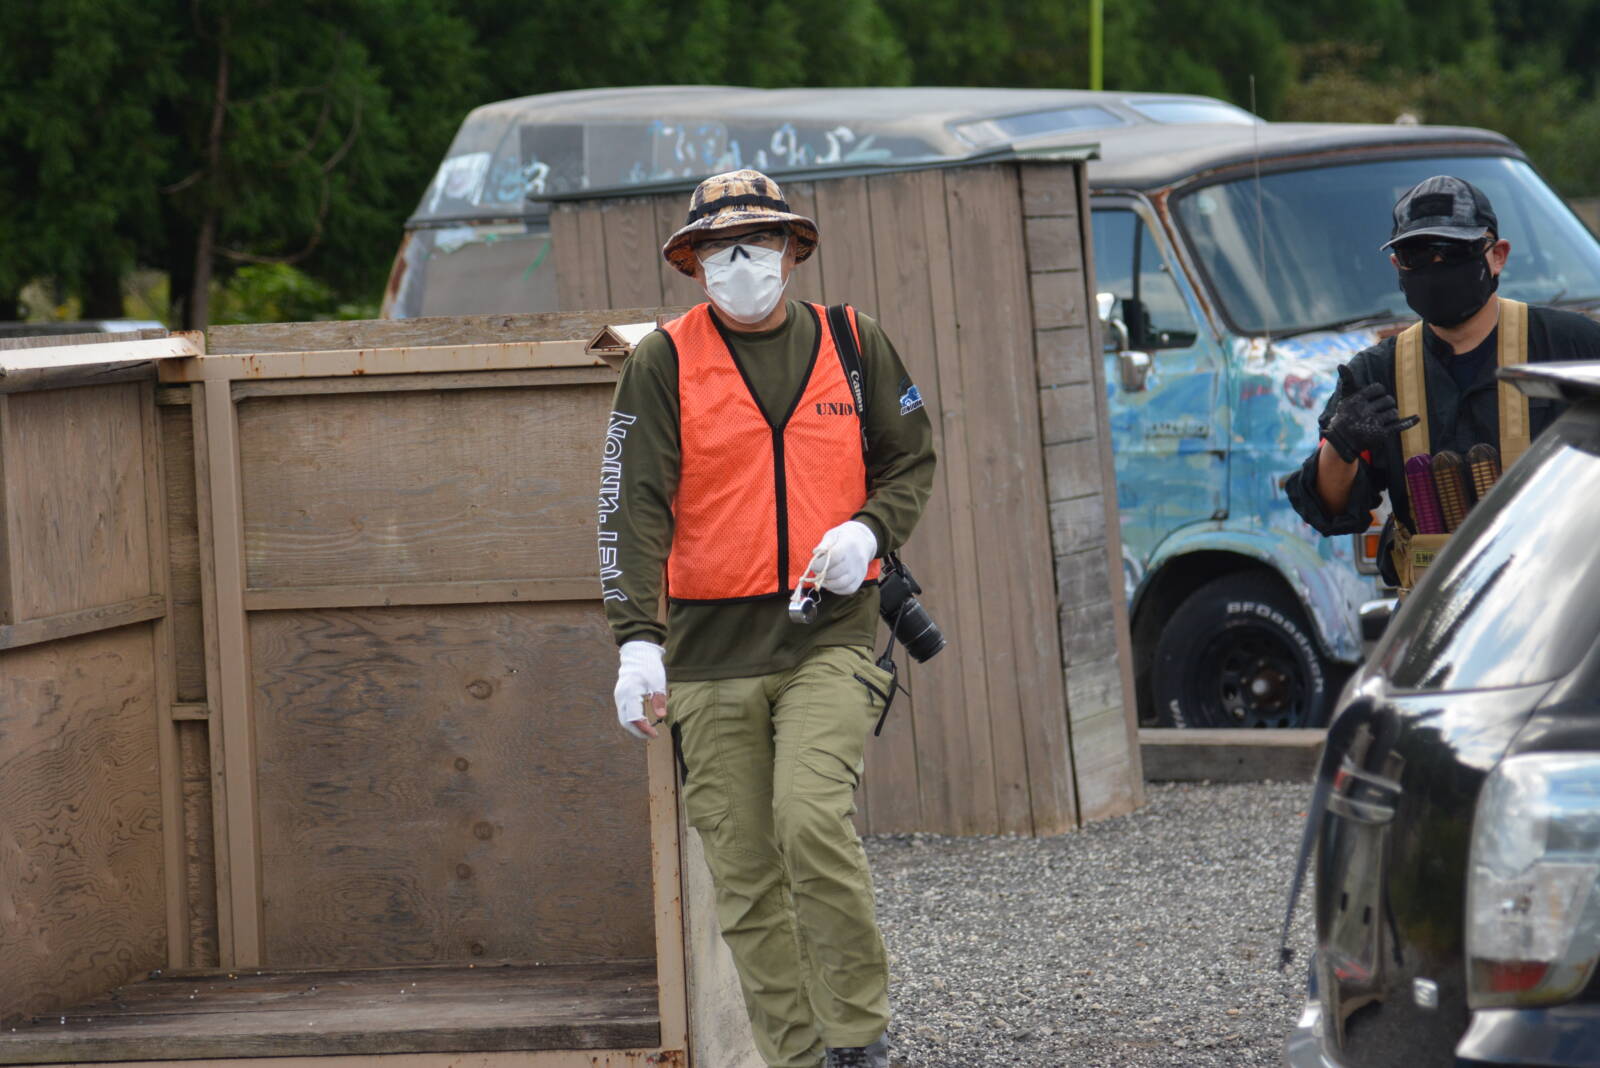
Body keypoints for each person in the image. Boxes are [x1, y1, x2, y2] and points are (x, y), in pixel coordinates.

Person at [597, 169, 936, 1068]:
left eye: (758, 242)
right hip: (708, 654)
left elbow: (910, 460)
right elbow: (632, 505)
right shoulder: (663, 361)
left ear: (792, 251)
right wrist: (637, 641)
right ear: (693, 263)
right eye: (718, 247)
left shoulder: (853, 341)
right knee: (744, 876)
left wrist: (869, 531)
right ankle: (796, 1056)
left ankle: (858, 1038)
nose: (740, 261)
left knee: (810, 821)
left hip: (829, 634)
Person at [1285, 175, 1600, 586]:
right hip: (1434, 608)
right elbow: (1328, 508)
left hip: (1551, 602)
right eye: (1416, 254)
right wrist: (1341, 447)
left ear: (1498, 256)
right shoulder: (1374, 374)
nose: (1436, 267)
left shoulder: (1574, 346)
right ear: (1397, 267)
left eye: (1454, 251)